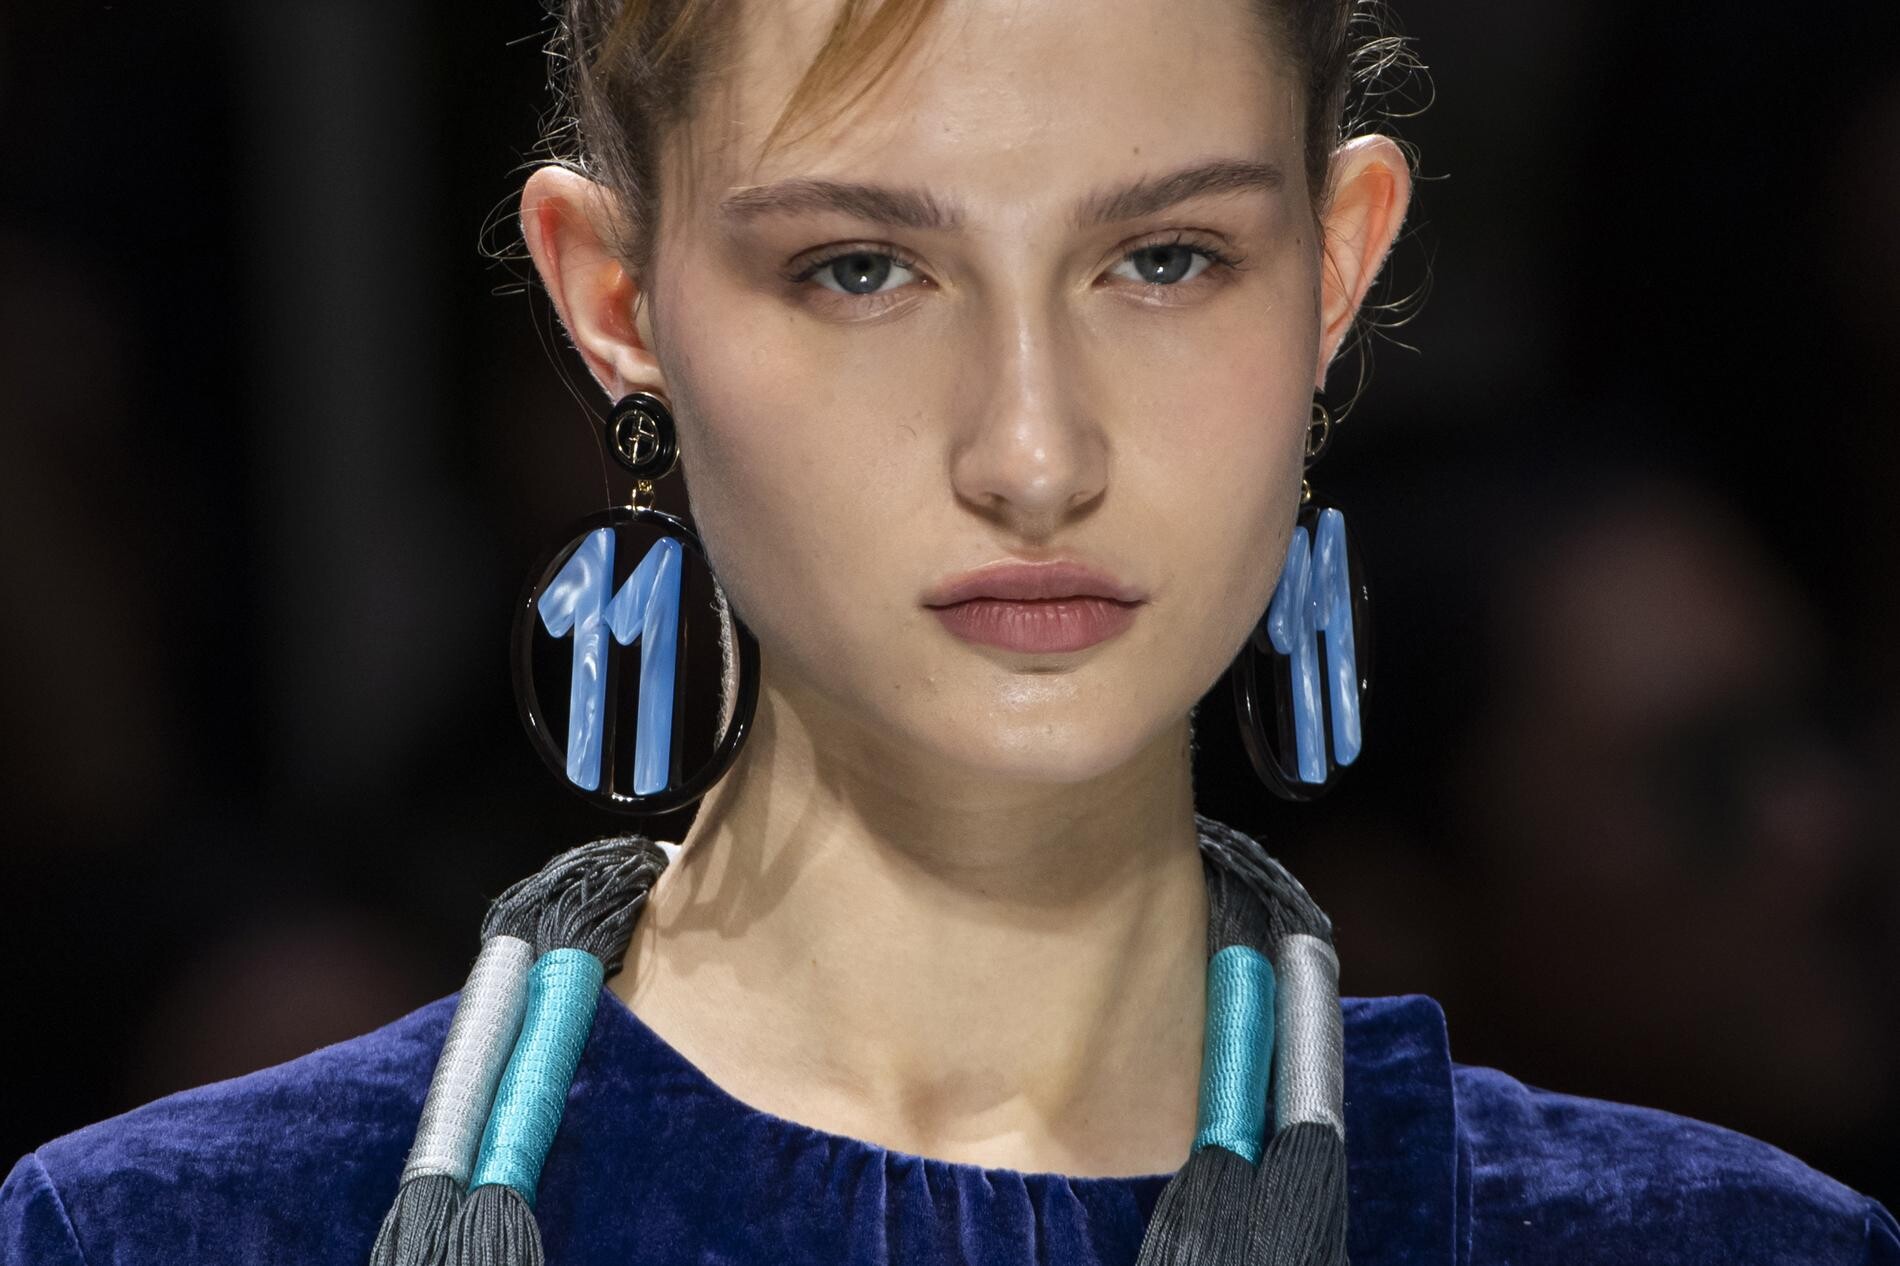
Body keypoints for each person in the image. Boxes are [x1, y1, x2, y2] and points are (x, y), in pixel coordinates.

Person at [2, 0, 1894, 1263]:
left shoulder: (1715, 1241)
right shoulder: (179, 1231)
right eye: (862, 268)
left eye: (1166, 259)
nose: (1033, 453)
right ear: (617, 303)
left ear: (1335, 274)